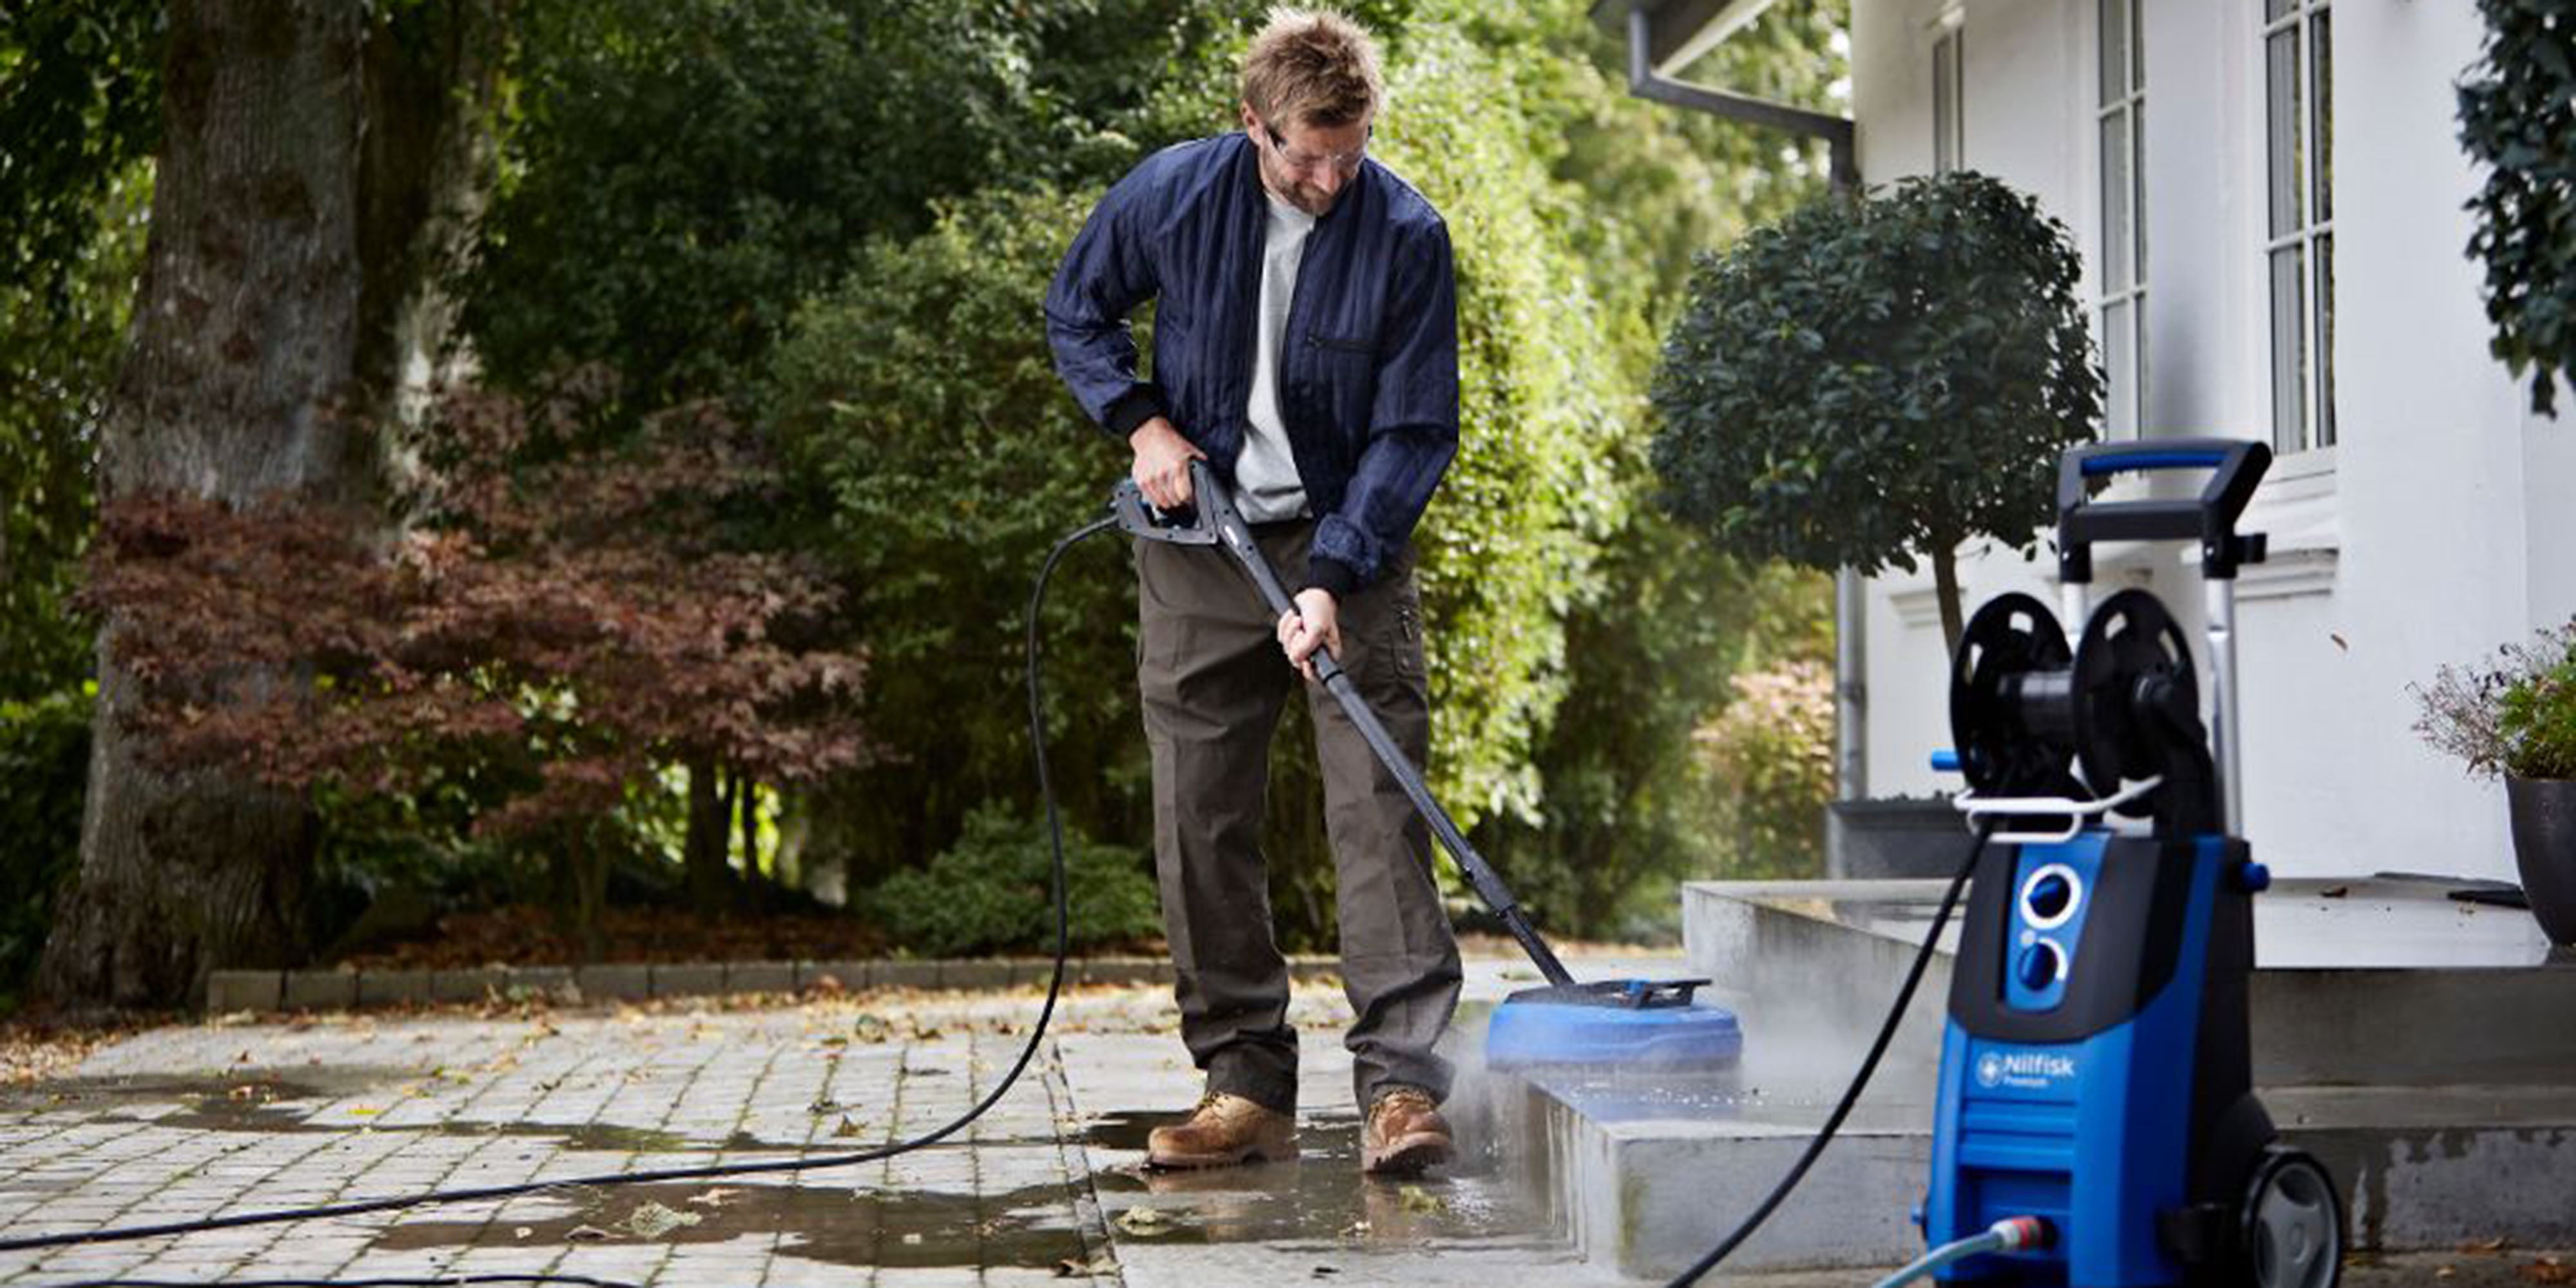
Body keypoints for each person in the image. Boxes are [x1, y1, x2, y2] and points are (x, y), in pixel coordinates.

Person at [1043, 6, 1463, 1177]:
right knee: (1199, 812)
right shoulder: (1175, 196)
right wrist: (1142, 424)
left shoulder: (1407, 234)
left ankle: (1399, 1093)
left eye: (1352, 148)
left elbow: (1416, 425)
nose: (1332, 176)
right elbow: (1077, 311)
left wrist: (1334, 571)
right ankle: (1242, 1085)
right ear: (1253, 127)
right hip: (1196, 551)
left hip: (1346, 549)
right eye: (1307, 153)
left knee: (1377, 809)